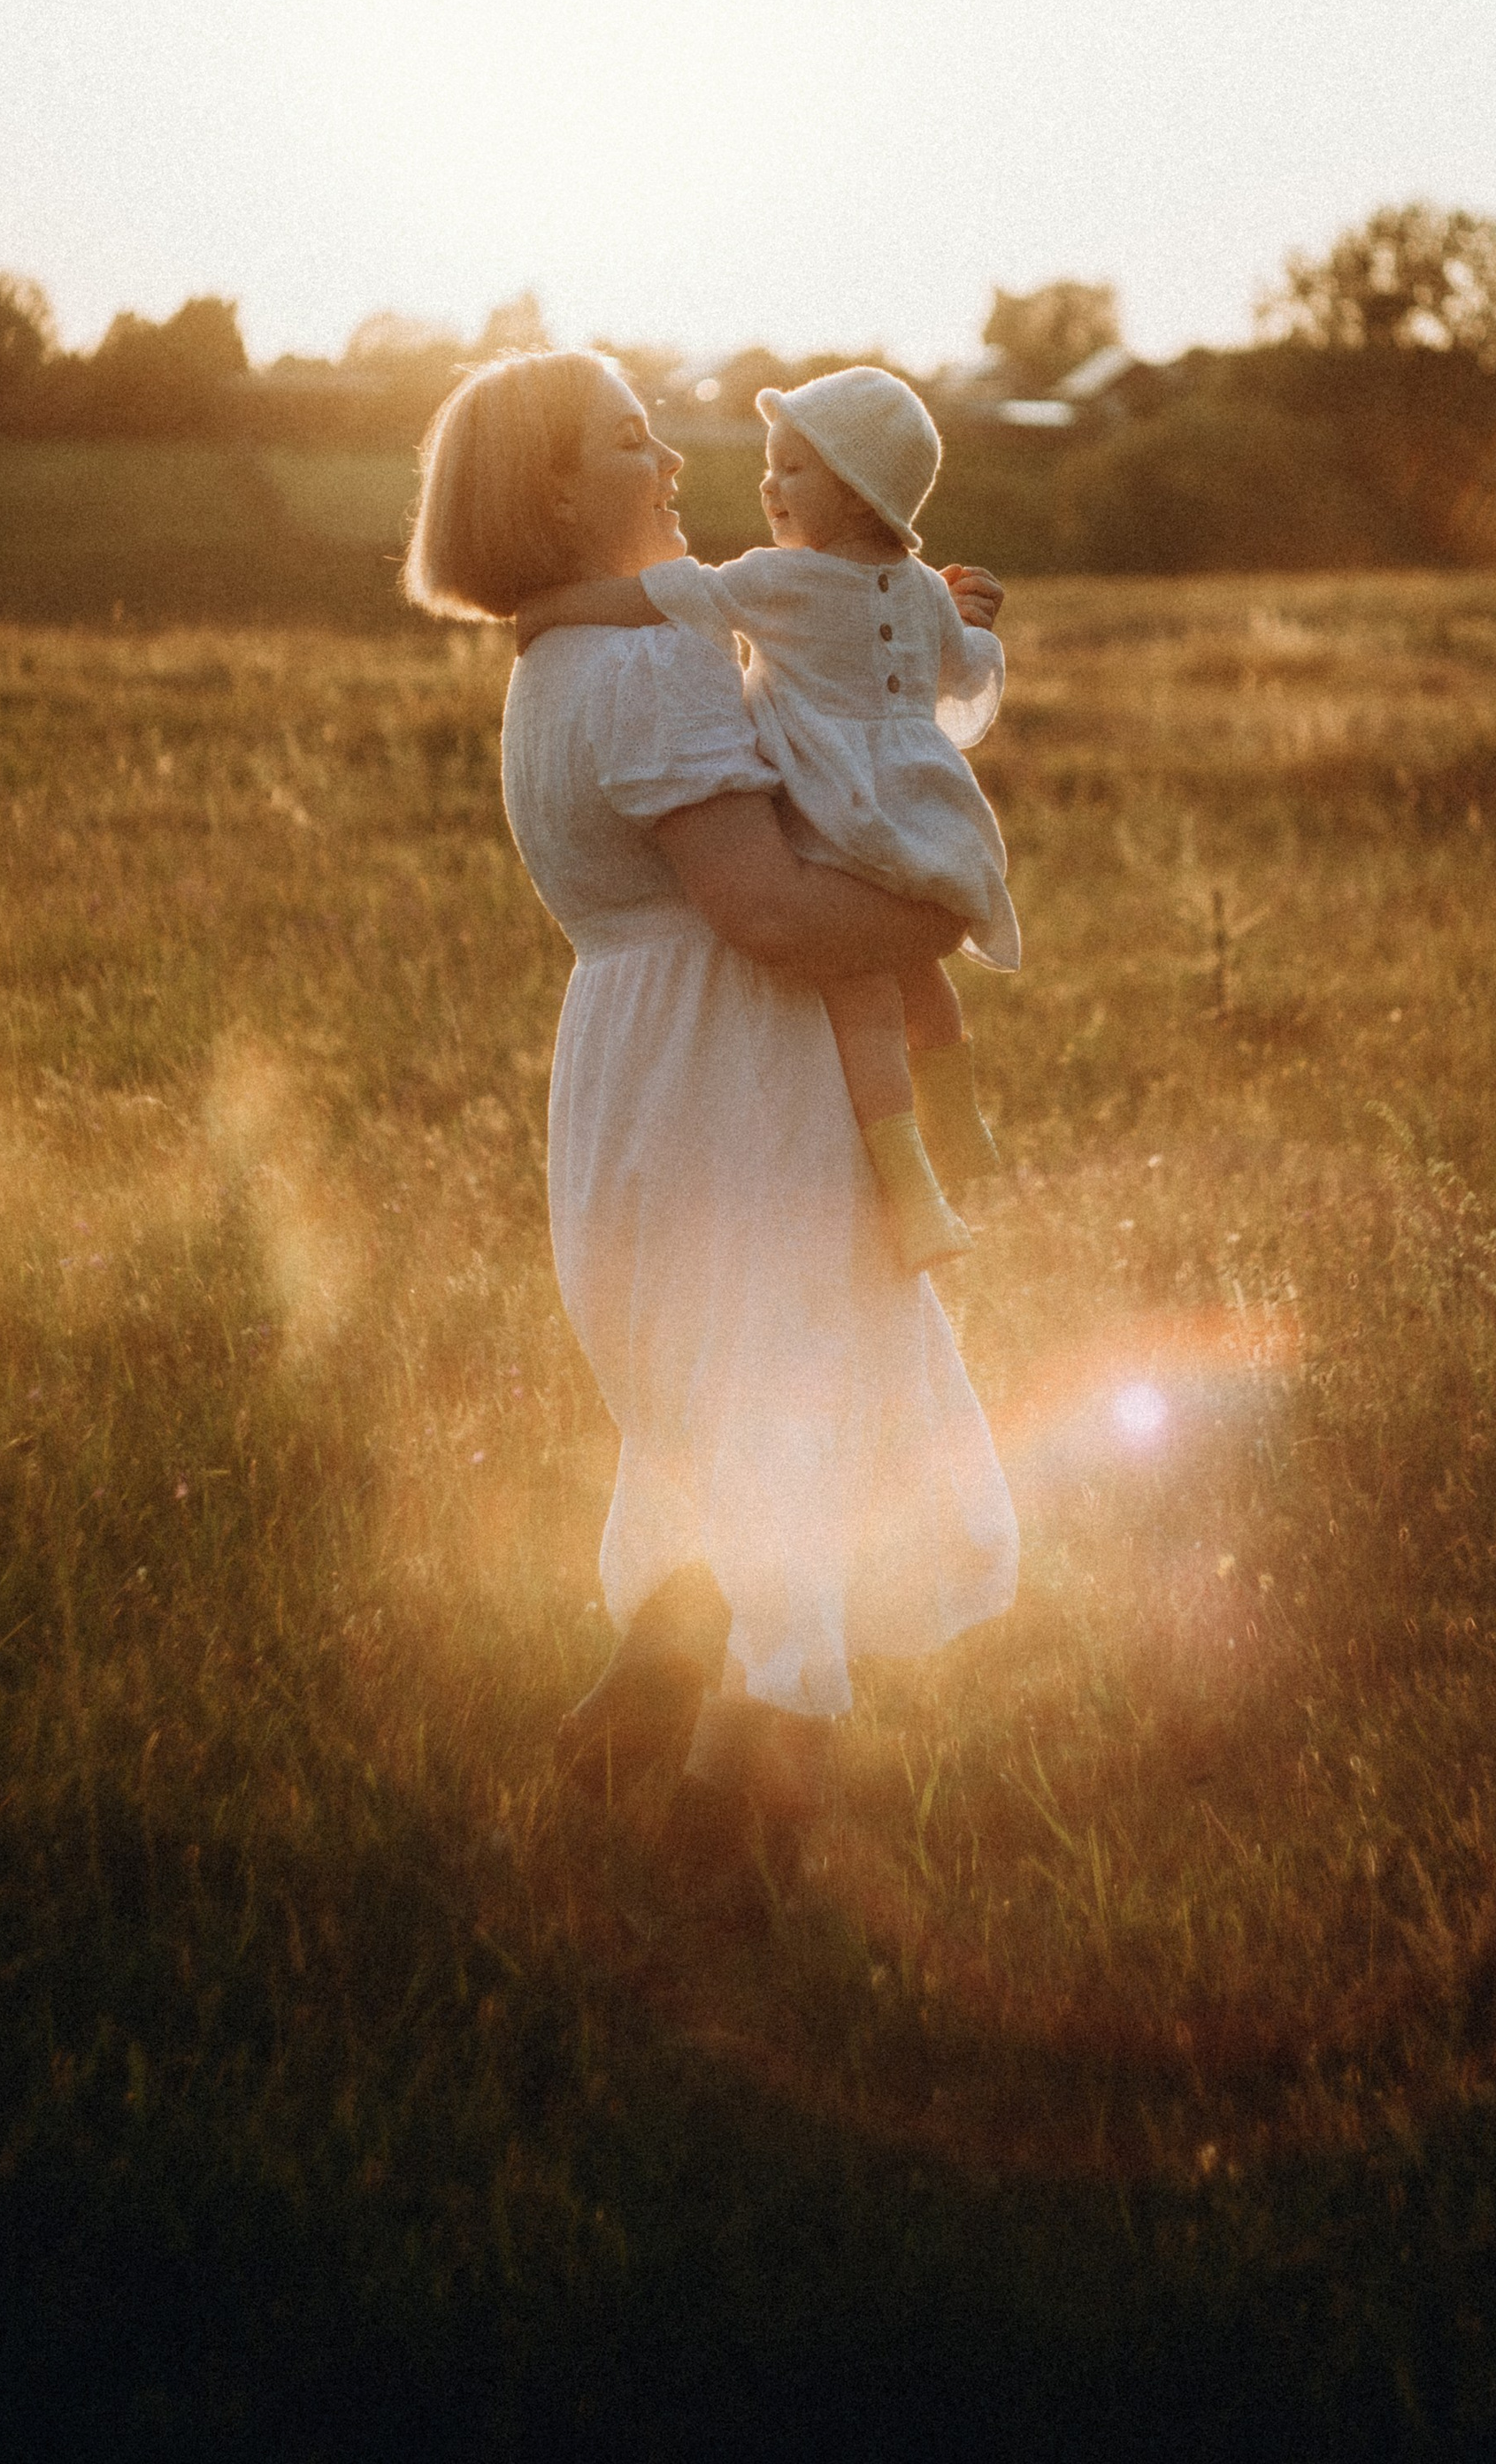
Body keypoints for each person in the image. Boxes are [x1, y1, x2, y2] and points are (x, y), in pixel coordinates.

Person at [404, 350, 1019, 1890]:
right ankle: (736, 1838)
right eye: (632, 439)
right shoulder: (656, 665)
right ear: (556, 488)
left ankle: (648, 1705)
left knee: (714, 1392)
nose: (672, 458)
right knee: (794, 1399)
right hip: (731, 1074)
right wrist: (933, 928)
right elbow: (759, 907)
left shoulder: (551, 667)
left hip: (628, 1066)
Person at [512, 365, 1016, 1273]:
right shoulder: (916, 589)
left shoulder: (770, 581)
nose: (766, 485)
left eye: (792, 470)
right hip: (922, 801)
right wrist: (962, 616)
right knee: (909, 970)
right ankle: (957, 1115)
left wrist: (547, 611)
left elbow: (661, 594)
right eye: (771, 467)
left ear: (857, 491)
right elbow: (964, 666)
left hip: (836, 807)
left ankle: (915, 1190)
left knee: (864, 995)